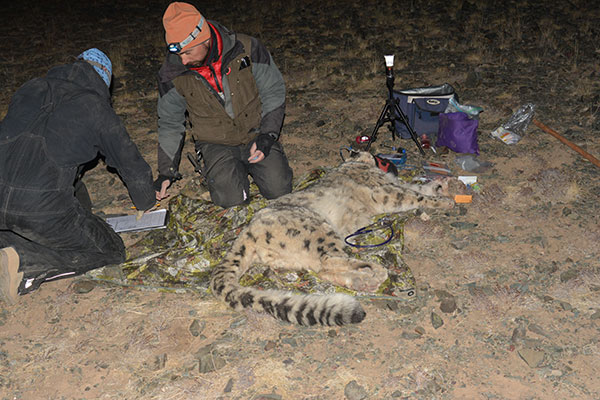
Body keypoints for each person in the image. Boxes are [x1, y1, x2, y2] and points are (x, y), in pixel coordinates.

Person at [0, 48, 156, 304]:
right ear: (103, 81)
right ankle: (24, 263)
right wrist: (146, 202)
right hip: (39, 208)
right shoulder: (94, 106)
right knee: (111, 250)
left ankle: (10, 245)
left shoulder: (32, 88)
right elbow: (129, 162)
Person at [154, 2, 293, 208]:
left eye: (188, 53)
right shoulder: (172, 73)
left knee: (279, 189)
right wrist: (166, 172)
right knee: (231, 201)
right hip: (215, 143)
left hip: (255, 133)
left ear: (204, 39)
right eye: (179, 54)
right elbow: (170, 123)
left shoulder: (246, 48)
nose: (183, 61)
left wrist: (267, 135)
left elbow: (273, 90)